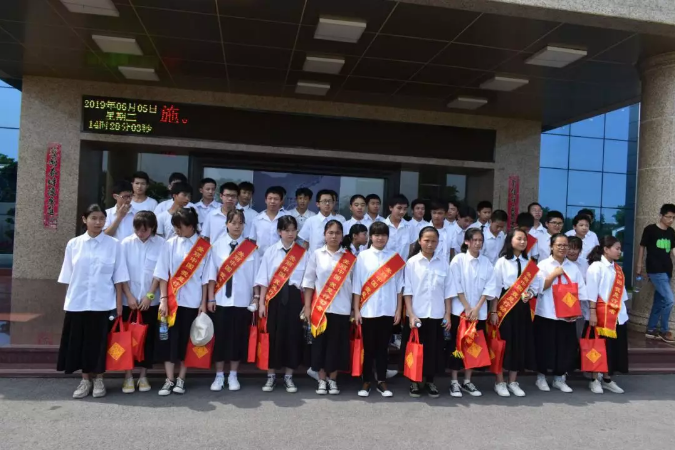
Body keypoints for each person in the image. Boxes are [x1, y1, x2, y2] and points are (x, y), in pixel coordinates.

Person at [57, 204, 129, 399]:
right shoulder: (74, 244)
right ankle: (85, 380)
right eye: (94, 218)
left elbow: (119, 277)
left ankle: (99, 380)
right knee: (80, 343)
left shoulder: (114, 245)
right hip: (78, 302)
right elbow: (68, 276)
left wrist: (119, 304)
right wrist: (68, 302)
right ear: (84, 220)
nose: (98, 222)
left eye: (101, 219)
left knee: (99, 344)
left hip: (103, 303)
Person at [154, 208, 210, 396]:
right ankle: (169, 379)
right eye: (175, 227)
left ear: (191, 226)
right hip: (172, 302)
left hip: (193, 302)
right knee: (168, 341)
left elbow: (206, 279)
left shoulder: (203, 247)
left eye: (180, 227)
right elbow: (162, 274)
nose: (177, 230)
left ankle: (181, 378)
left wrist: (203, 303)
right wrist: (163, 299)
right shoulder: (170, 244)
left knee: (188, 341)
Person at [206, 209, 259, 392]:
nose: (237, 226)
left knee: (238, 338)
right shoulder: (216, 246)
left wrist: (256, 297)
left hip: (243, 301)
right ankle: (219, 375)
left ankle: (233, 375)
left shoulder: (250, 248)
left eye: (240, 223)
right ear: (226, 224)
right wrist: (210, 298)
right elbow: (211, 275)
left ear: (244, 225)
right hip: (221, 300)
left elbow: (256, 277)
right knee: (220, 339)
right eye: (233, 222)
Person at [302, 220, 355, 395]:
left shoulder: (349, 258)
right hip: (321, 309)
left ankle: (333, 380)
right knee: (320, 345)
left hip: (342, 308)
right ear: (324, 235)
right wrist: (307, 307)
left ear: (342, 236)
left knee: (337, 346)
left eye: (337, 233)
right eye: (330, 232)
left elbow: (355, 286)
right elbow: (309, 282)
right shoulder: (317, 255)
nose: (333, 236)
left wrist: (354, 309)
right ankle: (321, 379)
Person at [486, 228, 541, 397]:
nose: (523, 242)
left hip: (522, 308)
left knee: (519, 343)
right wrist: (493, 311)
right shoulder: (502, 262)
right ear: (510, 241)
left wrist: (530, 293)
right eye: (519, 239)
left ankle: (513, 381)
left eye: (524, 239)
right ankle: (499, 381)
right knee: (503, 344)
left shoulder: (530, 263)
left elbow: (536, 285)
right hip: (505, 307)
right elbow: (495, 288)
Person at [256, 216, 307, 393]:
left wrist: (306, 304)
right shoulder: (271, 252)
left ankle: (288, 376)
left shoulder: (302, 253)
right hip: (274, 298)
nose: (290, 233)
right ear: (279, 232)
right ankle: (270, 376)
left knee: (292, 336)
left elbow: (307, 282)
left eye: (293, 230)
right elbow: (263, 279)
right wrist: (261, 303)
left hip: (294, 299)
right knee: (273, 336)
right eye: (286, 230)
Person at [353, 221, 404, 398]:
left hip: (388, 310)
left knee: (383, 348)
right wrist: (356, 310)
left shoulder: (394, 258)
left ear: (388, 237)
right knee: (368, 348)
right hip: (368, 310)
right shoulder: (363, 256)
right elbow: (357, 285)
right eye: (376, 235)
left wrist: (398, 310)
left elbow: (399, 287)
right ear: (371, 237)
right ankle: (366, 381)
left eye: (383, 235)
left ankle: (381, 381)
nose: (380, 238)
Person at [403, 227, 456, 398]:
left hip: (436, 314)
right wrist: (411, 314)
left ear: (438, 243)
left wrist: (447, 314)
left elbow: (448, 291)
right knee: (415, 350)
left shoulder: (443, 263)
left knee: (434, 350)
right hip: (417, 315)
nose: (430, 244)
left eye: (433, 241)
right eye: (426, 240)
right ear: (419, 241)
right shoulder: (412, 263)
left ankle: (430, 381)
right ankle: (414, 381)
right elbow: (407, 291)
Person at [534, 233, 587, 393]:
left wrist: (577, 311)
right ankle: (541, 377)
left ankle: (559, 378)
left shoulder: (573, 267)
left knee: (565, 348)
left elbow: (581, 291)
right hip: (546, 313)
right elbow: (538, 288)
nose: (563, 248)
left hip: (567, 316)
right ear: (551, 246)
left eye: (565, 245)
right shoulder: (543, 265)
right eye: (559, 245)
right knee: (545, 347)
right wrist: (553, 275)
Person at [120, 211, 163, 394]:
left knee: (147, 339)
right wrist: (129, 295)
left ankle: (143, 375)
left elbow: (160, 272)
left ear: (152, 227)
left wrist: (149, 296)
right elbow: (121, 272)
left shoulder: (161, 244)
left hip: (150, 302)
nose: (140, 233)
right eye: (137, 229)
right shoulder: (125, 243)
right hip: (128, 301)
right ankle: (128, 376)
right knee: (127, 340)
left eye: (144, 230)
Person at [448, 228, 493, 397]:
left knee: (474, 346)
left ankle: (467, 381)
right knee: (457, 346)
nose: (478, 243)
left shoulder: (486, 262)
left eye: (480, 240)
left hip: (478, 313)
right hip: (460, 312)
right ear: (467, 241)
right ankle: (454, 381)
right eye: (474, 240)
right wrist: (467, 307)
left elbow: (490, 286)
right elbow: (455, 284)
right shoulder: (458, 260)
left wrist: (477, 307)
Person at [584, 236, 629, 394]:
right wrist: (592, 312)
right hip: (601, 315)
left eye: (620, 248)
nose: (619, 251)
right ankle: (594, 379)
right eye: (617, 248)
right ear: (606, 249)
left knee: (612, 349)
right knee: (598, 347)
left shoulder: (618, 269)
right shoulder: (596, 267)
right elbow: (591, 292)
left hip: (618, 315)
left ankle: (607, 379)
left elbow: (622, 294)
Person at [638, 203, 675, 343]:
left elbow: (673, 250)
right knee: (670, 300)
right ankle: (664, 331)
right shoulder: (650, 229)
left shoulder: (671, 232)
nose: (671, 220)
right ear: (661, 215)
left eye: (673, 218)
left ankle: (651, 329)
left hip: (667, 270)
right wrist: (639, 265)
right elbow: (642, 247)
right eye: (668, 217)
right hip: (655, 270)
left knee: (659, 301)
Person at [249, 186, 289, 254]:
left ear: (281, 201)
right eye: (270, 198)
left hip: (281, 258)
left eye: (276, 199)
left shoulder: (287, 218)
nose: (272, 201)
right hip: (261, 258)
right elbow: (253, 240)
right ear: (265, 200)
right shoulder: (257, 219)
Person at [384, 194, 415, 261]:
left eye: (405, 209)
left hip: (403, 264)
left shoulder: (410, 227)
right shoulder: (382, 226)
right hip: (384, 265)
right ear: (390, 208)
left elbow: (411, 248)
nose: (402, 212)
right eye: (399, 208)